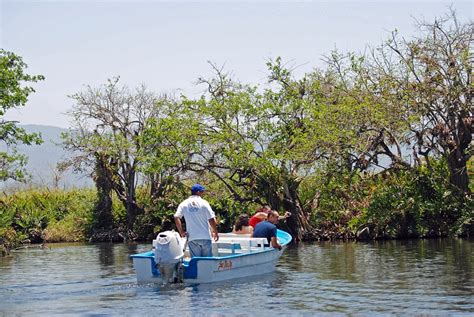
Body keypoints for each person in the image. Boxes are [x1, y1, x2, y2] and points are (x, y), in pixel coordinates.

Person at [174, 184, 219, 258]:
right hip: (205, 237)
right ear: (198, 192)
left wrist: (181, 232)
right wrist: (215, 232)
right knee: (207, 261)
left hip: (192, 238)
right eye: (202, 192)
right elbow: (211, 219)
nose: (203, 193)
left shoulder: (184, 203)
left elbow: (176, 217)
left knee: (196, 261)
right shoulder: (204, 203)